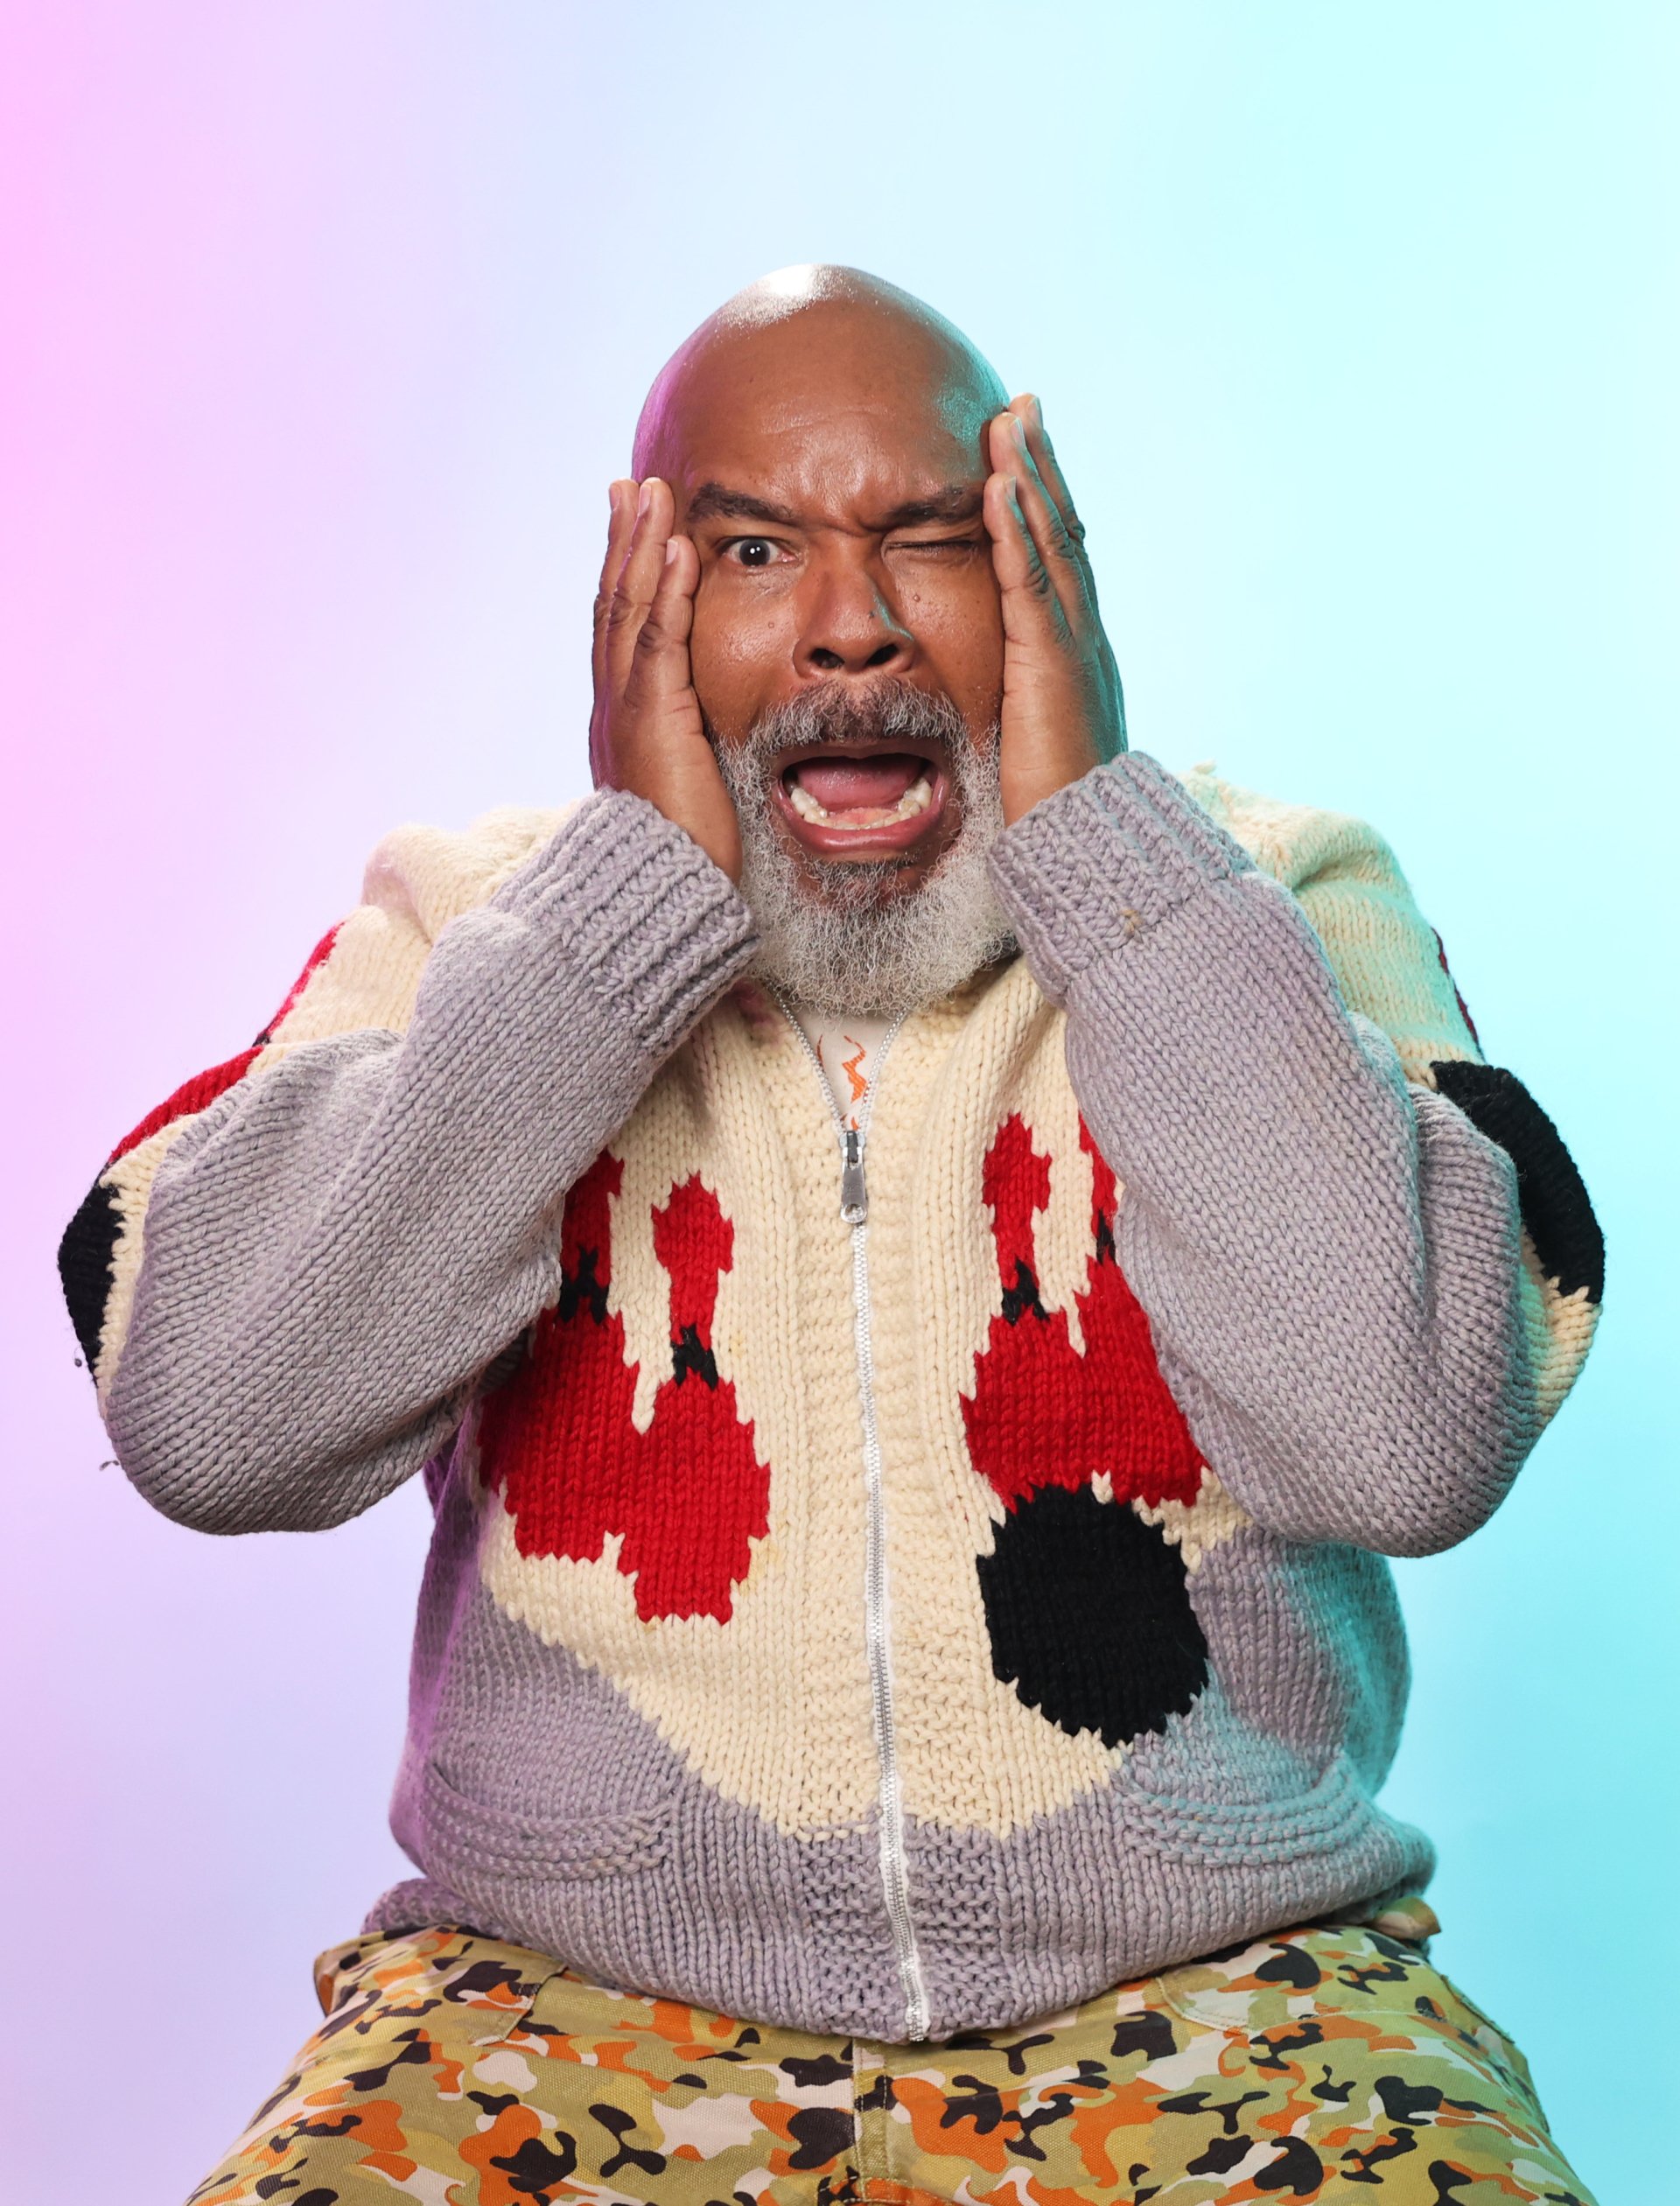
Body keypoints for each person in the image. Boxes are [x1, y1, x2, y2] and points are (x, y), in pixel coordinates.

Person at [60, 265, 1603, 2205]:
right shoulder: (471, 927)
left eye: (933, 541)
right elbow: (209, 1412)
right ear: (642, 594)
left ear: (1050, 571)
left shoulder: (1275, 891)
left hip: (1238, 1988)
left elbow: (1408, 1435)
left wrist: (1115, 868)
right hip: (555, 1999)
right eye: (758, 547)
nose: (851, 624)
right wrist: (612, 923)